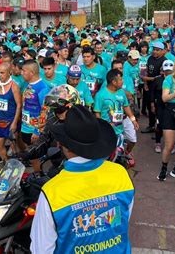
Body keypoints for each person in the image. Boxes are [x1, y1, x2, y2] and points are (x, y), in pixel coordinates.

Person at [30, 105, 134, 254]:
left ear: (62, 145)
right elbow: (123, 220)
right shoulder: (120, 174)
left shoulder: (52, 192)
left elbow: (40, 250)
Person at [94, 69, 139, 155]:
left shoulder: (121, 92)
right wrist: (102, 128)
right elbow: (97, 113)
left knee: (118, 155)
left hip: (119, 131)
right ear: (114, 82)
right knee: (107, 155)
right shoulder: (100, 95)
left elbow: (126, 106)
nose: (123, 81)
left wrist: (133, 119)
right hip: (107, 133)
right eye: (121, 80)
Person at [19, 60, 50, 173]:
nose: (21, 72)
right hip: (25, 125)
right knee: (30, 153)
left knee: (34, 156)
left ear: (31, 72)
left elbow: (45, 110)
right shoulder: (28, 85)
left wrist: (37, 130)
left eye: (24, 70)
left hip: (34, 129)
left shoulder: (42, 88)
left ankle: (38, 175)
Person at [0, 62, 22, 163]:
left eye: (2, 73)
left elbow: (19, 105)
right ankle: (6, 163)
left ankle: (17, 166)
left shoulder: (14, 87)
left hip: (10, 121)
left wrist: (14, 122)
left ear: (9, 73)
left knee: (14, 147)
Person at [142, 41, 166, 133]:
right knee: (149, 106)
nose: (155, 51)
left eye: (157, 50)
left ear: (162, 51)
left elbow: (161, 76)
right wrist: (145, 83)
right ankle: (151, 126)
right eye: (154, 49)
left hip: (159, 88)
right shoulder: (150, 58)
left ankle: (159, 129)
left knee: (158, 108)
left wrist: (149, 79)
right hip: (149, 86)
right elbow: (145, 71)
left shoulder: (164, 60)